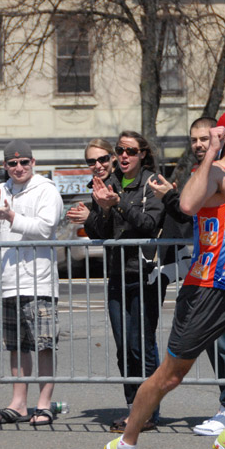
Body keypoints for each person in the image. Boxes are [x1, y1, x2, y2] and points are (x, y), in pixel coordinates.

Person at [105, 108, 225, 449]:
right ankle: (125, 441)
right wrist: (210, 152)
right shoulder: (217, 174)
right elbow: (189, 203)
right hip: (206, 290)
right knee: (170, 376)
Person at [148, 116, 225, 437]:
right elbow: (186, 212)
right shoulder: (201, 172)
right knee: (213, 345)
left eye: (205, 138)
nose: (199, 145)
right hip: (206, 273)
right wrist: (169, 198)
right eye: (194, 140)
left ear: (222, 138)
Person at [0, 140, 64, 426]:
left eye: (24, 162)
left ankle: (44, 404)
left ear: (33, 162)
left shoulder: (46, 189)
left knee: (44, 344)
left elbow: (45, 227)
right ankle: (18, 403)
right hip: (6, 281)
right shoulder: (0, 190)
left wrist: (10, 215)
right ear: (5, 165)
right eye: (12, 163)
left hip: (38, 281)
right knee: (16, 345)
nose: (18, 167)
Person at [85, 132, 165, 433]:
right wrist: (101, 209)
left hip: (145, 274)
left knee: (139, 346)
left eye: (131, 150)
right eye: (119, 150)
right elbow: (98, 232)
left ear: (142, 153)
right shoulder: (109, 183)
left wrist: (117, 204)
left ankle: (147, 412)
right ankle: (134, 408)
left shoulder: (152, 183)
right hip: (117, 274)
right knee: (123, 348)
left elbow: (148, 224)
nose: (124, 156)